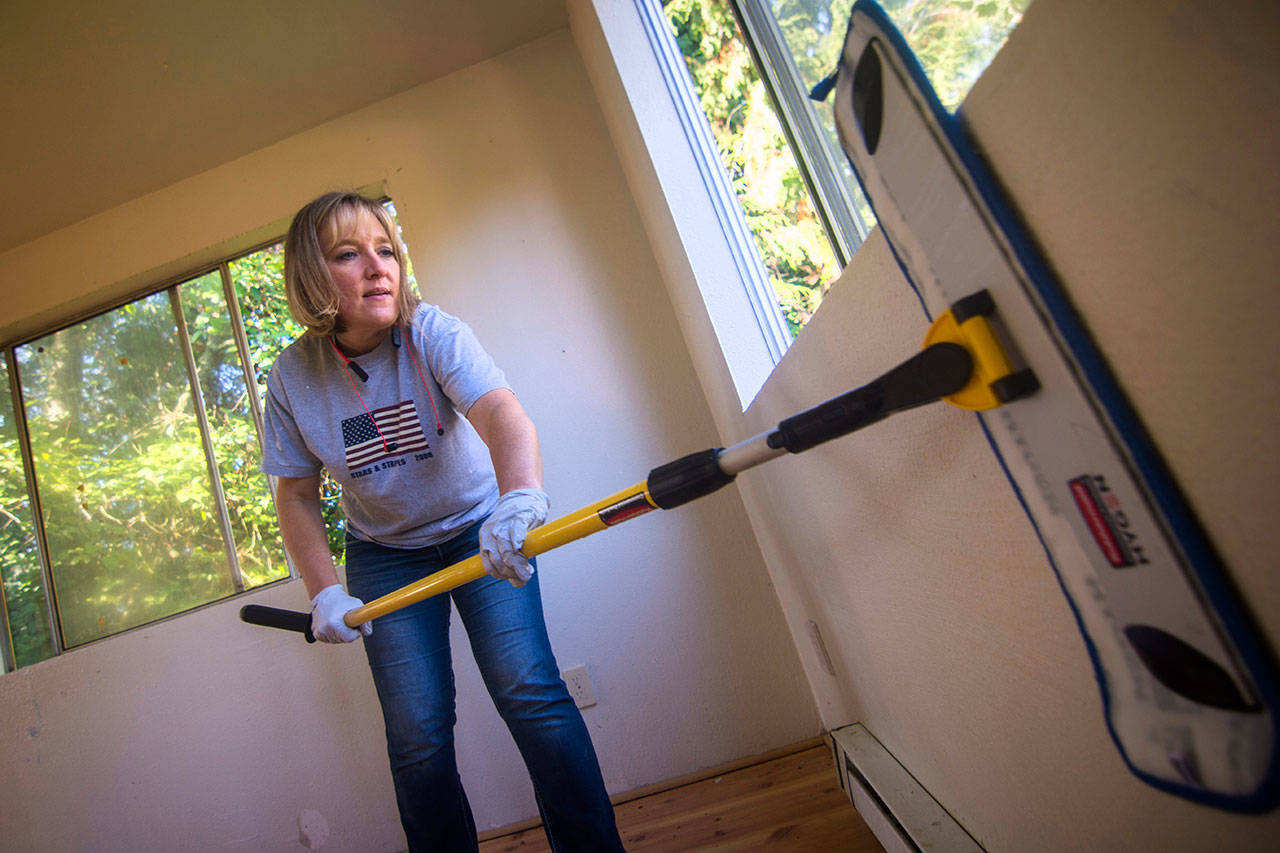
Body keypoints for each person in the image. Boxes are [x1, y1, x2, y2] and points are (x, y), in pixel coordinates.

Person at [262, 191, 626, 852]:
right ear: (310, 278)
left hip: (481, 528)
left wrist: (518, 501)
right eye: (348, 254)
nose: (377, 267)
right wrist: (325, 591)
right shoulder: (291, 376)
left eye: (385, 250)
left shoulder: (432, 330)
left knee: (531, 694)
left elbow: (503, 415)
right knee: (417, 734)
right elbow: (296, 494)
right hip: (384, 551)